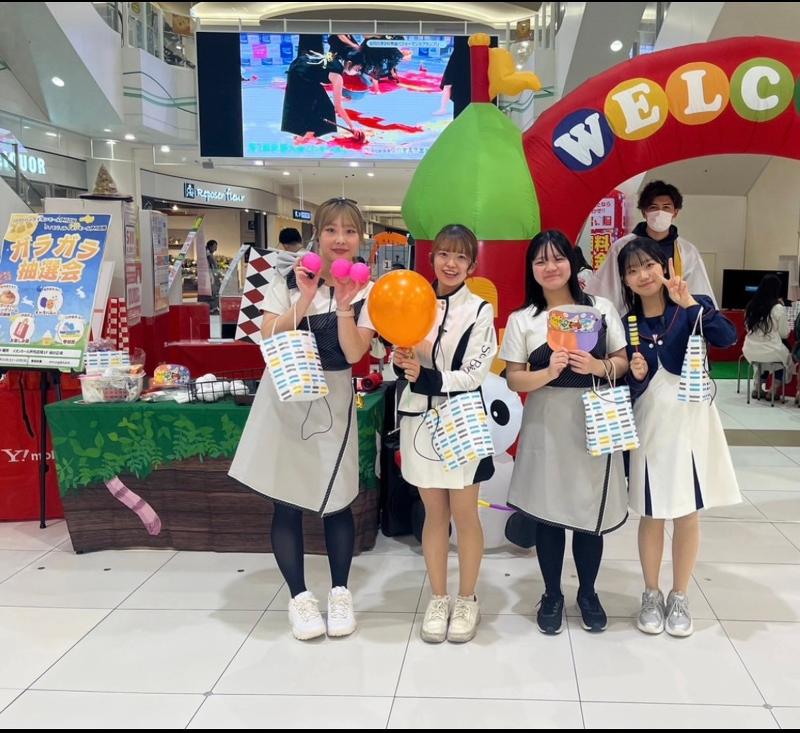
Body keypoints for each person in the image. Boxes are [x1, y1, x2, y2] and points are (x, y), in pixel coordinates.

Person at [229, 198, 375, 641]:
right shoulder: (287, 280)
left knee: (338, 497)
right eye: (331, 230)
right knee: (287, 499)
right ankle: (299, 598)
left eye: (349, 231)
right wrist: (307, 296)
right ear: (318, 235)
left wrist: (345, 304)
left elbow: (354, 352)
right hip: (287, 395)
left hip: (334, 398)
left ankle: (340, 592)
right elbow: (268, 334)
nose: (340, 239)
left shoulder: (367, 289)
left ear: (360, 238)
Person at [500, 230, 629, 635]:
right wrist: (547, 372)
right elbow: (514, 379)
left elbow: (623, 361)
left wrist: (598, 367)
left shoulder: (601, 308)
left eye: (557, 258)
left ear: (571, 263)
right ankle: (552, 593)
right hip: (546, 423)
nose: (550, 267)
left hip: (595, 420)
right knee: (550, 512)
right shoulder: (523, 319)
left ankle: (588, 593)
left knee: (592, 511)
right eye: (540, 261)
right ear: (531, 270)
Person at [618, 238, 741, 637]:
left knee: (688, 512)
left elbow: (726, 337)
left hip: (691, 424)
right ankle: (651, 593)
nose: (642, 275)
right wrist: (636, 377)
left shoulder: (691, 307)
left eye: (648, 265)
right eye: (632, 270)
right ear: (625, 280)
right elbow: (624, 386)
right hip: (650, 424)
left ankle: (680, 594)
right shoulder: (626, 324)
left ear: (665, 266)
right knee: (651, 512)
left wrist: (688, 301)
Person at [393, 224, 497, 644]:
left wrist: (428, 378)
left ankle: (467, 598)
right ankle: (438, 597)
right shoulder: (412, 300)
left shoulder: (479, 310)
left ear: (472, 265)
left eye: (460, 256)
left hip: (461, 420)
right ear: (431, 257)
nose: (450, 263)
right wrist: (399, 361)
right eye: (443, 254)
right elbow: (394, 356)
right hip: (418, 419)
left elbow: (475, 373)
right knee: (434, 514)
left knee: (465, 513)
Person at [585, 181, 716, 314]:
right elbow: (606, 288)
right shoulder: (621, 247)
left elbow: (698, 290)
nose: (660, 213)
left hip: (676, 319)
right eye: (653, 207)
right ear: (644, 212)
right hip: (634, 317)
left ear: (675, 212)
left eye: (666, 207)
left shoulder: (687, 251)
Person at [281, 49, 365, 144]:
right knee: (324, 108)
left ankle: (305, 134)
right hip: (301, 77)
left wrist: (339, 98)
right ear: (349, 63)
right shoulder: (338, 76)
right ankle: (305, 136)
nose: (357, 73)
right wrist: (352, 126)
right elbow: (338, 107)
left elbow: (318, 73)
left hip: (298, 67)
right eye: (357, 69)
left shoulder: (335, 59)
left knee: (320, 104)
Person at [743, 274, 792, 398]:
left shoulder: (751, 306)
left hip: (749, 350)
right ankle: (773, 390)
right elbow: (784, 333)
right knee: (782, 360)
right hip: (771, 350)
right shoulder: (778, 308)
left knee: (763, 362)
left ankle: (757, 387)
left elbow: (747, 328)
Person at [205, 239, 222, 314]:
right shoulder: (208, 254)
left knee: (216, 291)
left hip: (213, 275)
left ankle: (215, 306)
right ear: (210, 246)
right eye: (214, 247)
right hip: (211, 276)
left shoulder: (209, 254)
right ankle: (213, 307)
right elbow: (212, 263)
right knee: (215, 291)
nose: (216, 249)